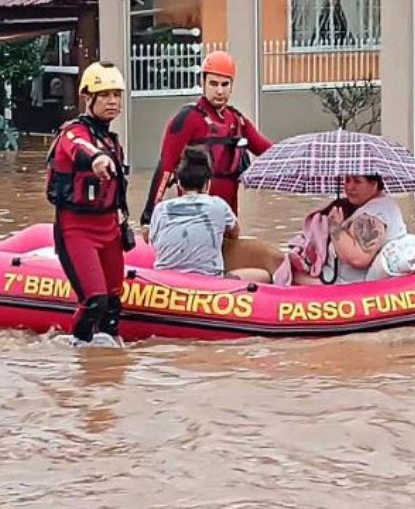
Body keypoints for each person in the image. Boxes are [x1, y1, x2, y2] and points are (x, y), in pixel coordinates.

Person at [140, 50, 272, 239]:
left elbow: (269, 151)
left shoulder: (237, 121)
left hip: (226, 223)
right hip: (192, 223)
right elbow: (165, 169)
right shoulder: (187, 119)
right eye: (213, 84)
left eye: (225, 84)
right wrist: (148, 218)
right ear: (203, 83)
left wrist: (299, 157)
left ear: (232, 86)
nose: (219, 91)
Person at [46, 61, 131, 348]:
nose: (113, 101)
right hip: (77, 229)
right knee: (94, 301)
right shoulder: (74, 132)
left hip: (110, 229)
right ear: (88, 98)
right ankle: (79, 350)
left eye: (116, 95)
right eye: (105, 95)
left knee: (113, 305)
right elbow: (80, 148)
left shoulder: (112, 140)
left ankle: (108, 373)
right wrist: (97, 159)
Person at [149, 146, 271, 283]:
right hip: (208, 282)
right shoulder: (218, 205)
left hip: (164, 282)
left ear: (179, 184)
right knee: (263, 275)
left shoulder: (161, 209)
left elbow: (153, 243)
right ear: (207, 184)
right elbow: (235, 234)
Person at [288, 175, 407, 285]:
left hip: (340, 284)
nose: (349, 187)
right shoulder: (381, 205)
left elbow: (358, 258)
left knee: (275, 261)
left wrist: (334, 225)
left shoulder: (374, 213)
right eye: (347, 180)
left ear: (374, 184)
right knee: (276, 264)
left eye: (357, 181)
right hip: (333, 276)